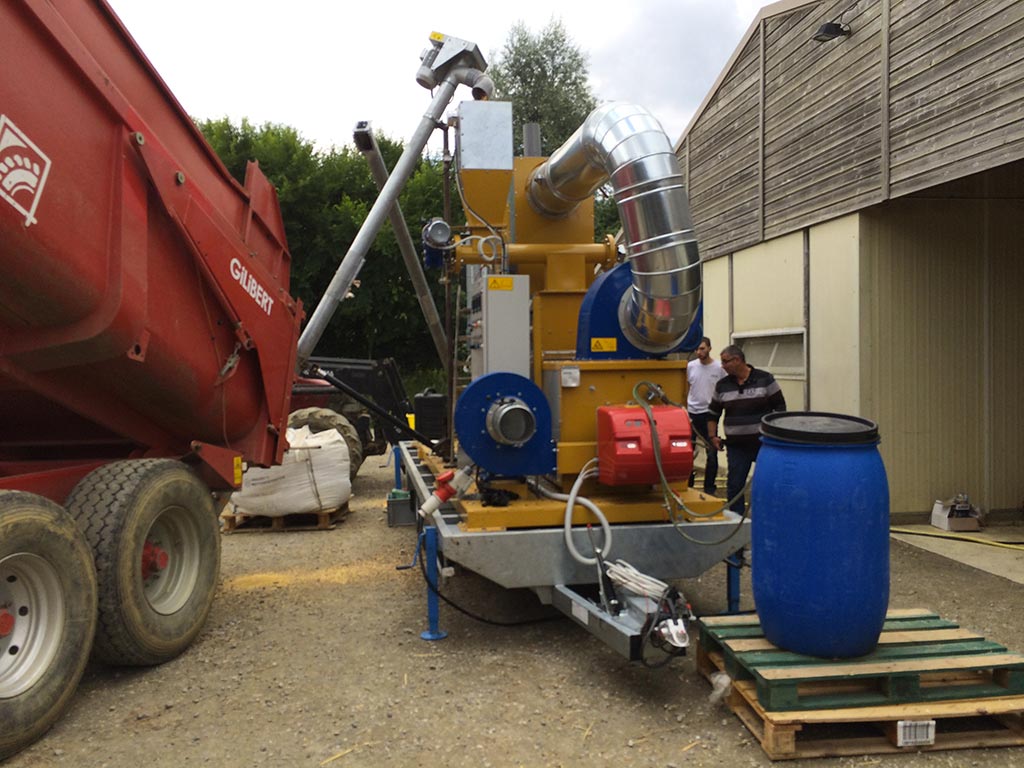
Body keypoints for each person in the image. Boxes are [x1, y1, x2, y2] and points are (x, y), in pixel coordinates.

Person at [707, 345, 786, 513]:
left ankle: (767, 515)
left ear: (737, 360)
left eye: (725, 362)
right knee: (735, 485)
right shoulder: (722, 385)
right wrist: (713, 436)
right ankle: (736, 519)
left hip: (763, 445)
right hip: (737, 447)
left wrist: (774, 435)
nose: (723, 366)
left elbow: (780, 408)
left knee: (767, 482)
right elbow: (713, 413)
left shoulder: (765, 379)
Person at [686, 337, 725, 494]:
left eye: (702, 349)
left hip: (709, 414)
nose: (699, 352)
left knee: (711, 451)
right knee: (688, 451)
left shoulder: (718, 368)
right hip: (692, 413)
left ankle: (709, 487)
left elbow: (723, 390)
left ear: (709, 348)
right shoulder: (691, 366)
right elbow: (687, 386)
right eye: (697, 349)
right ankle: (687, 485)